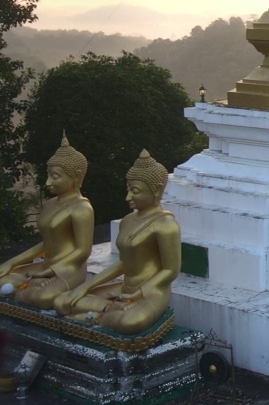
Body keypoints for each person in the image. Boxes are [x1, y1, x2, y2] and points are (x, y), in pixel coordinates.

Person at [55, 150, 181, 335]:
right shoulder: (128, 220)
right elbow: (123, 263)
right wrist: (85, 287)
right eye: (128, 189)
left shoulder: (166, 225)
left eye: (135, 191)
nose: (128, 197)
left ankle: (98, 315)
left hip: (151, 293)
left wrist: (139, 293)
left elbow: (170, 270)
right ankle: (110, 310)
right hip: (123, 289)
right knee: (62, 301)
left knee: (131, 322)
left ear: (156, 189)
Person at [0, 134, 94, 309]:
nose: (48, 182)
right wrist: (12, 262)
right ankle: (25, 289)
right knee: (2, 279)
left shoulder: (82, 209)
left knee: (42, 298)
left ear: (76, 176)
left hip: (69, 269)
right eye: (48, 175)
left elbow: (82, 251)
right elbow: (47, 244)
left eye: (55, 176)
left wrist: (51, 272)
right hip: (45, 264)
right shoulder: (51, 204)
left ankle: (26, 291)